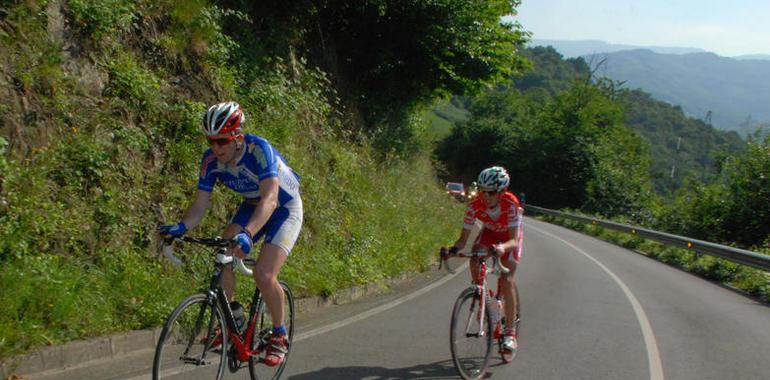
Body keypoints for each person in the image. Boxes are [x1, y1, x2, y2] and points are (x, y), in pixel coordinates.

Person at [159, 101, 302, 366]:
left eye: (222, 141)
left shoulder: (259, 150)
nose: (216, 148)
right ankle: (232, 318)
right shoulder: (210, 160)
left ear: (237, 137)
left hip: (284, 207)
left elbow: (270, 199)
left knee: (264, 274)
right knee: (223, 252)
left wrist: (248, 234)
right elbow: (200, 204)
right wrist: (180, 227)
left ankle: (279, 336)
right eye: (211, 141)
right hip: (251, 204)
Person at [448, 166, 523, 353]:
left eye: (490, 192)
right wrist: (452, 250)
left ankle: (510, 334)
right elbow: (463, 240)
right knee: (474, 257)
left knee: (507, 279)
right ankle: (484, 296)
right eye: (482, 190)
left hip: (509, 239)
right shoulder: (474, 205)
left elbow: (514, 239)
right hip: (489, 234)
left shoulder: (511, 204)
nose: (485, 196)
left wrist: (502, 248)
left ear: (502, 191)